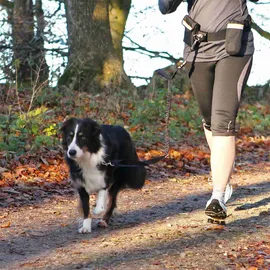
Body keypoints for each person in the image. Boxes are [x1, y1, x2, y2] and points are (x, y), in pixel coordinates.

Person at [158, 0, 255, 224]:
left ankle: (217, 196)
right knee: (210, 120)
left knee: (223, 121)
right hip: (197, 48)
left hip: (234, 47)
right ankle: (224, 175)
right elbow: (166, 7)